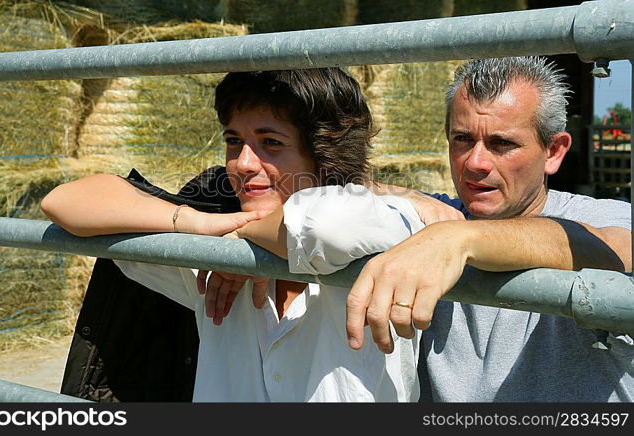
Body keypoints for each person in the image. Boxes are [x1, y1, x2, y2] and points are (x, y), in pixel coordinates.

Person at [209, 56, 632, 402]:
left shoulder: (602, 216)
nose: (476, 163)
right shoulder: (429, 216)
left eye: (502, 144)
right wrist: (256, 242)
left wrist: (458, 241)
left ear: (554, 151)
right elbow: (340, 200)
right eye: (462, 139)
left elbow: (614, 248)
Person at [42, 67, 442, 402]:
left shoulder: (382, 226)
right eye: (234, 141)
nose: (243, 163)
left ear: (325, 153)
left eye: (271, 143)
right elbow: (65, 201)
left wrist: (243, 243)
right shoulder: (212, 254)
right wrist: (193, 222)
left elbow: (324, 225)